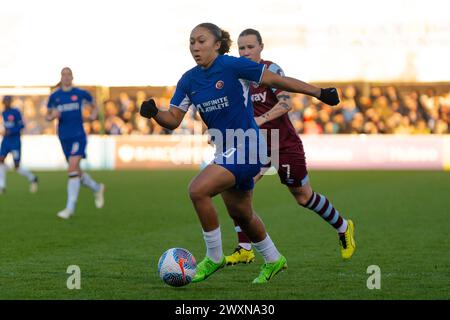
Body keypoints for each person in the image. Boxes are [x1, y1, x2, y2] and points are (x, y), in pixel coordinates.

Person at [140, 23, 340, 284]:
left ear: (217, 44)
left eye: (201, 41)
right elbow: (173, 119)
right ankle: (273, 259)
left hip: (248, 145)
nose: (195, 47)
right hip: (226, 148)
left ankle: (214, 256)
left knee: (197, 190)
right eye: (191, 42)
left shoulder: (233, 66)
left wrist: (319, 92)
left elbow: (277, 80)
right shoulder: (188, 80)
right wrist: (154, 113)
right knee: (242, 214)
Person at [225, 29, 356, 266]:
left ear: (261, 47)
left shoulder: (271, 70)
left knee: (303, 197)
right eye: (241, 48)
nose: (245, 53)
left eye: (250, 47)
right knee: (237, 190)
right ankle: (244, 247)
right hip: (256, 146)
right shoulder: (239, 77)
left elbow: (286, 103)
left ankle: (343, 226)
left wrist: (260, 120)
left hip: (284, 145)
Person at [46, 67, 105, 219]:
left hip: (78, 135)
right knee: (75, 171)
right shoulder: (55, 96)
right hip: (64, 137)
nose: (66, 77)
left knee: (72, 167)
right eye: (63, 74)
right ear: (61, 77)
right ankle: (97, 188)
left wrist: (93, 114)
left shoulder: (80, 93)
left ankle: (69, 208)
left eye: (68, 74)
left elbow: (95, 105)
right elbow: (47, 116)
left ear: (72, 77)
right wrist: (53, 116)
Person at [0, 95, 38, 194]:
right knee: (1, 160)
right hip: (6, 141)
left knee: (17, 166)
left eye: (8, 101)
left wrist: (10, 131)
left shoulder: (16, 112)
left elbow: (21, 125)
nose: (6, 103)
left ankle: (32, 178)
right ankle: (2, 185)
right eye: (5, 101)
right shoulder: (3, 113)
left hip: (15, 141)